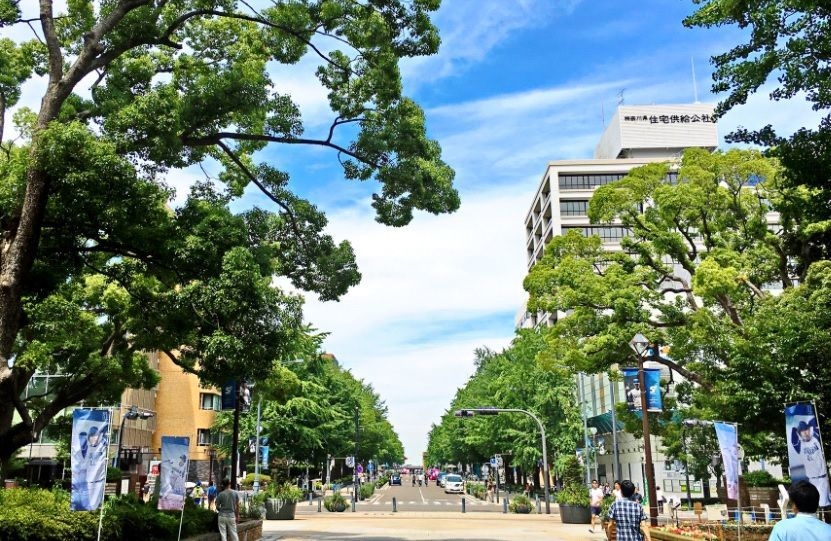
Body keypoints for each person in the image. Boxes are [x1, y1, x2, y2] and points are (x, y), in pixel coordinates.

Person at [791, 420, 831, 507]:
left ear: (810, 430)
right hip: (813, 480)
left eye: (806, 430)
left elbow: (813, 421)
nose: (805, 433)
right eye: (802, 431)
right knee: (814, 504)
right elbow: (793, 436)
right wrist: (795, 429)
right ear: (800, 433)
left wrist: (808, 424)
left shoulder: (815, 438)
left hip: (823, 478)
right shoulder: (799, 445)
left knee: (825, 504)